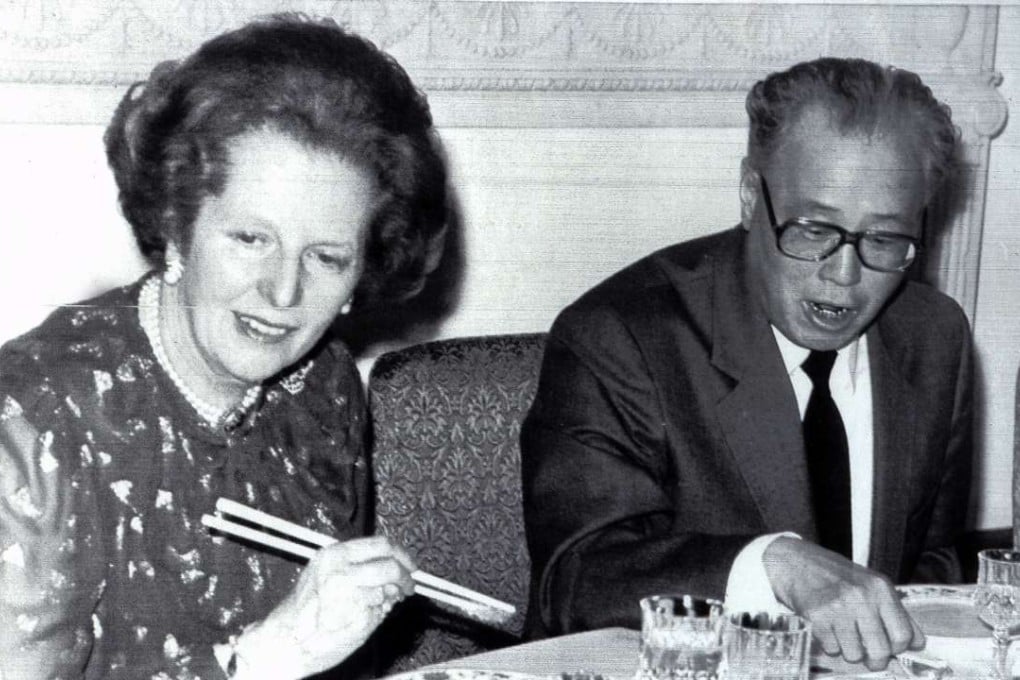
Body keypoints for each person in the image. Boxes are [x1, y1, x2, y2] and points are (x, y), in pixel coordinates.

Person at [0, 15, 449, 680]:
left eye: (327, 257)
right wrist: (261, 661)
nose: (284, 293)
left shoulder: (320, 387)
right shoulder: (35, 421)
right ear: (175, 227)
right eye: (250, 239)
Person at [521, 58, 971, 670]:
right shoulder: (622, 335)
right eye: (812, 229)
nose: (844, 275)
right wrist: (775, 565)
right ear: (748, 196)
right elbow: (578, 580)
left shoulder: (935, 336)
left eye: (885, 240)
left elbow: (935, 567)